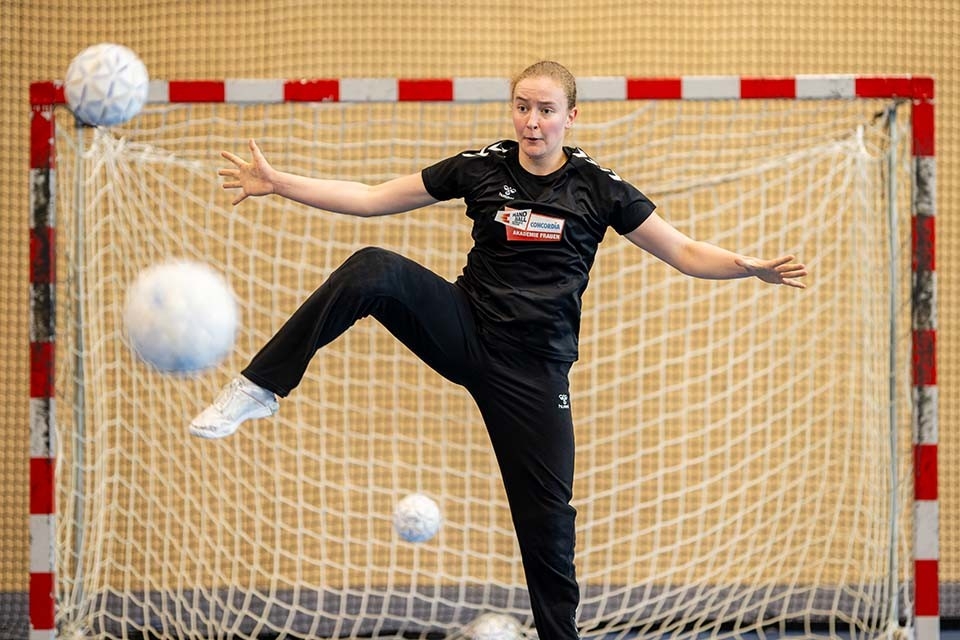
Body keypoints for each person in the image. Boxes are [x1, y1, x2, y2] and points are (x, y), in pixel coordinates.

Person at [190, 60, 807, 639]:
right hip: (466, 328)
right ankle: (261, 388)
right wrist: (280, 183)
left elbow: (685, 251)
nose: (532, 122)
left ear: (571, 117)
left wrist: (746, 266)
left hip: (534, 373)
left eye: (546, 110)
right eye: (522, 107)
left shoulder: (599, 189)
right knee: (372, 269)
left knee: (548, 523)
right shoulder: (480, 168)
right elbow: (374, 198)